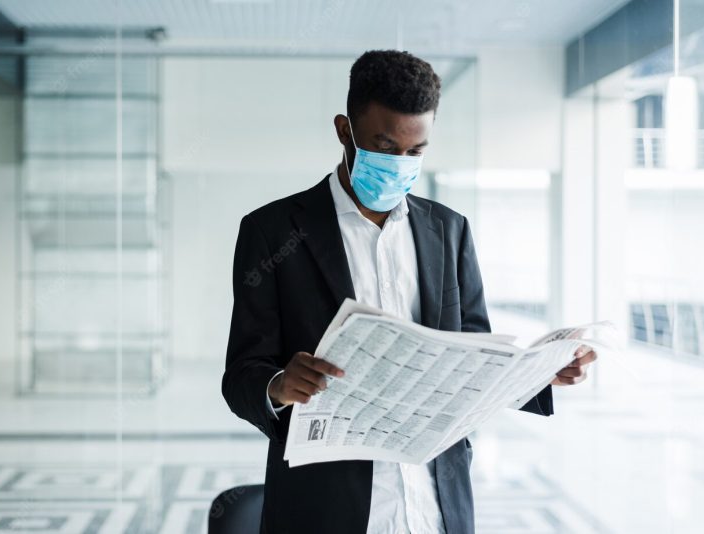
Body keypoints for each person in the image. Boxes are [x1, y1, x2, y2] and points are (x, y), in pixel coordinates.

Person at [222, 49, 597, 534]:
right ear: (344, 131)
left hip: (435, 503)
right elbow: (241, 375)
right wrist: (277, 386)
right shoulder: (272, 232)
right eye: (383, 148)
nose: (399, 164)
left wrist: (539, 372)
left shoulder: (449, 230)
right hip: (326, 508)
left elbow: (474, 355)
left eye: (415, 152)